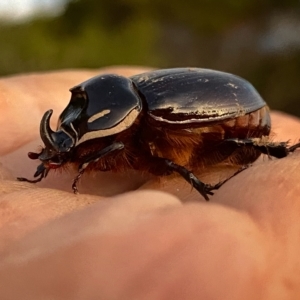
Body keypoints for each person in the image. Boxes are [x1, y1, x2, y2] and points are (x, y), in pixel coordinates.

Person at [1, 67, 300, 299]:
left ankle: (285, 151)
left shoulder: (149, 120)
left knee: (237, 145)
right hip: (230, 96)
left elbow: (133, 153)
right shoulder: (121, 113)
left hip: (237, 114)